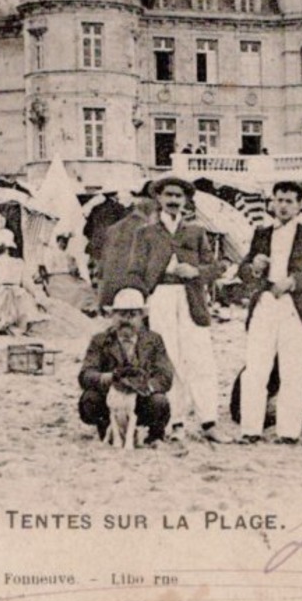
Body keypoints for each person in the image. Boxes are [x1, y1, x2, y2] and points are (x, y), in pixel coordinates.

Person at [97, 176, 225, 443]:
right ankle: (175, 421)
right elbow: (134, 272)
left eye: (179, 196)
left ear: (186, 200)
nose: (173, 200)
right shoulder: (146, 234)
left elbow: (215, 268)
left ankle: (208, 421)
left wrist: (195, 271)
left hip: (191, 298)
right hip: (162, 297)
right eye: (168, 195)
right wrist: (142, 296)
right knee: (169, 358)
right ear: (158, 198)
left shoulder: (196, 232)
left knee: (200, 358)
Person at [237, 180, 302, 445]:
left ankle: (288, 432)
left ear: (300, 205)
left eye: (289, 201)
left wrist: (294, 281)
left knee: (295, 369)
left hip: (294, 307)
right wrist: (254, 267)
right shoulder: (261, 233)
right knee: (256, 367)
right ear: (272, 203)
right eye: (279, 200)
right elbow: (242, 271)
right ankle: (250, 429)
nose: (283, 206)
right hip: (265, 302)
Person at [77, 288, 176, 447]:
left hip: (141, 400)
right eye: (121, 314)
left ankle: (155, 436)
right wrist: (109, 378)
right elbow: (85, 374)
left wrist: (143, 386)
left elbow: (165, 376)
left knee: (160, 401)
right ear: (112, 316)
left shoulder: (154, 340)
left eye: (132, 315)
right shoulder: (100, 340)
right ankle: (106, 428)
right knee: (89, 399)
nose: (126, 320)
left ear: (142, 317)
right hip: (111, 399)